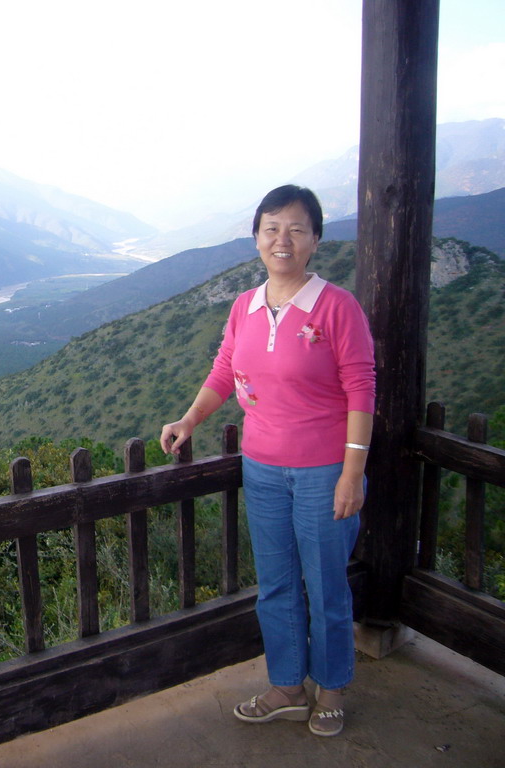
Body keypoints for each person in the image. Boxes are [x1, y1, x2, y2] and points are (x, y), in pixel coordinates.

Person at [159, 185, 375, 737]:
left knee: (326, 583)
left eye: (296, 229)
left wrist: (352, 473)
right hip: (262, 468)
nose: (283, 239)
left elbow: (361, 389)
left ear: (315, 241)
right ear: (256, 237)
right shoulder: (245, 307)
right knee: (276, 583)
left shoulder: (336, 307)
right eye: (272, 227)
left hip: (324, 470)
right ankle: (287, 686)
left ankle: (330, 688)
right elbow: (225, 371)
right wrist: (189, 421)